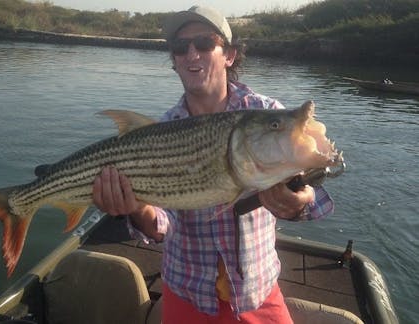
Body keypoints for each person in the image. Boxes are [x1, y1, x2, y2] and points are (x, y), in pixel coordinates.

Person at [92, 5, 334, 324]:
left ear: (229, 55)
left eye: (205, 43)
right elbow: (159, 226)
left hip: (256, 293)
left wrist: (300, 202)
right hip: (186, 293)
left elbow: (312, 195)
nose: (192, 54)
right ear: (175, 62)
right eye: (180, 47)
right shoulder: (160, 132)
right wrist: (135, 208)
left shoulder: (268, 113)